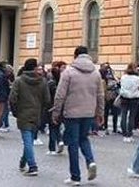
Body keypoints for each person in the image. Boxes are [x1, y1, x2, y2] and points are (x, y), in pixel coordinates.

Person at [52, 46, 104, 186]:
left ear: (75, 56)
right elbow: (100, 95)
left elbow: (60, 95)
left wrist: (56, 112)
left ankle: (75, 176)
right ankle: (90, 161)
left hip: (71, 113)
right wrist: (100, 112)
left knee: (73, 143)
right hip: (88, 112)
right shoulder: (96, 73)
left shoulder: (68, 72)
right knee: (84, 138)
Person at [9, 59, 51, 177]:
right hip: (37, 113)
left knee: (27, 140)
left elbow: (12, 99)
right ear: (34, 68)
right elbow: (47, 100)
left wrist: (15, 112)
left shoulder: (19, 81)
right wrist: (41, 109)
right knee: (30, 139)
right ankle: (23, 162)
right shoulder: (42, 81)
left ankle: (32, 166)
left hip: (23, 113)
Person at [119, 63, 139, 143]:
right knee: (132, 116)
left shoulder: (123, 77)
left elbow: (121, 86)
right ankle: (129, 134)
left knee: (123, 115)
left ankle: (124, 133)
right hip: (134, 98)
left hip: (124, 97)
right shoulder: (137, 78)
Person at [46, 63, 65, 155]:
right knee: (57, 126)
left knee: (52, 127)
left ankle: (52, 148)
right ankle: (60, 140)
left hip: (51, 107)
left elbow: (47, 97)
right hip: (61, 107)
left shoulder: (50, 84)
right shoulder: (62, 84)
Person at [100, 63, 120, 135]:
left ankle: (106, 128)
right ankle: (114, 128)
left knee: (106, 112)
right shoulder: (113, 77)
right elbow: (118, 84)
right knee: (115, 113)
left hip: (106, 96)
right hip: (113, 95)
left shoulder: (102, 77)